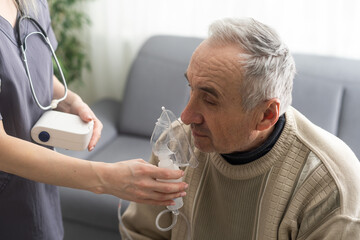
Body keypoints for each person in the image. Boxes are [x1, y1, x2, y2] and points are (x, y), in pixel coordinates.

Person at [120, 18, 360, 239]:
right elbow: (141, 233)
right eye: (191, 88)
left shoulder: (330, 187)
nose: (186, 116)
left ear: (266, 115)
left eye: (210, 100)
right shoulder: (177, 143)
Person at [0, 0, 188, 239]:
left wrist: (69, 99)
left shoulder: (33, 3)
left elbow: (31, 68)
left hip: (39, 192)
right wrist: (105, 179)